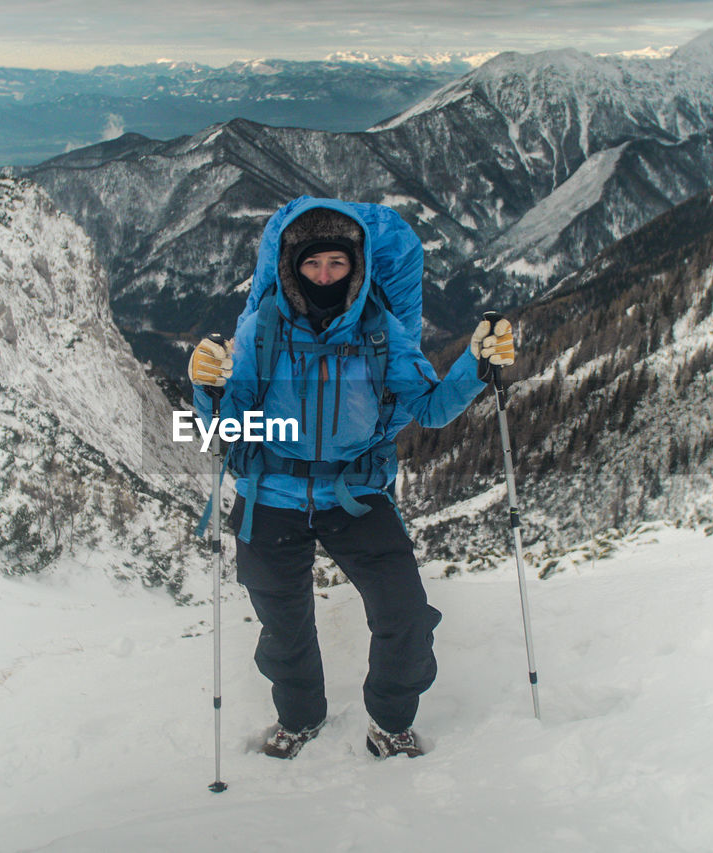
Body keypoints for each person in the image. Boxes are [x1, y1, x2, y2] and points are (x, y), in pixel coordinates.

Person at [189, 198, 514, 760]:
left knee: (405, 616)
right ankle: (300, 717)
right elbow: (223, 427)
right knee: (282, 628)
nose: (323, 275)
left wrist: (476, 367)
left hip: (357, 495)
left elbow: (430, 409)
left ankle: (391, 720)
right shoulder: (262, 331)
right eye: (313, 264)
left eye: (337, 263)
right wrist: (207, 388)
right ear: (291, 265)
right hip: (271, 493)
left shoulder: (379, 332)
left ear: (356, 266)